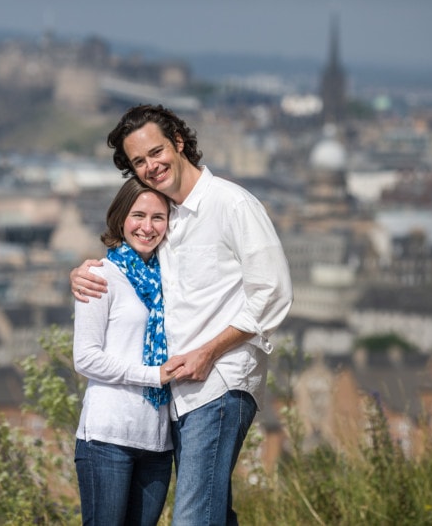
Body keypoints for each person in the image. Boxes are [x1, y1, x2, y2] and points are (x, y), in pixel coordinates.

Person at [71, 104, 293, 525]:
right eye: (139, 162)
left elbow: (274, 291)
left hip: (221, 383)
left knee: (193, 518)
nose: (151, 166)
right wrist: (82, 273)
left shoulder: (232, 204)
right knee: (212, 511)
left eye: (156, 152)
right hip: (178, 398)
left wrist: (209, 351)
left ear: (178, 142)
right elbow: (128, 270)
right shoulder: (168, 219)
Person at [73, 176, 177, 526]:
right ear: (120, 218)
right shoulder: (101, 275)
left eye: (158, 217)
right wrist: (154, 375)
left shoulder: (172, 281)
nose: (147, 227)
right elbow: (85, 357)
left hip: (157, 442)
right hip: (107, 437)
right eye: (138, 215)